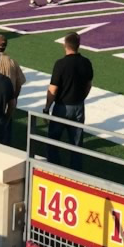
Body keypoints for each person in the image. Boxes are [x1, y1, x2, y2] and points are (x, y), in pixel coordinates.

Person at [45, 32, 94, 169]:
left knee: (53, 141)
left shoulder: (60, 64)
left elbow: (53, 89)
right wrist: (81, 98)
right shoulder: (86, 62)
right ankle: (76, 172)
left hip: (61, 107)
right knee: (77, 144)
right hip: (78, 106)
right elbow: (88, 85)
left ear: (65, 45)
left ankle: (53, 169)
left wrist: (47, 107)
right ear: (78, 45)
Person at [0, 34, 25, 143]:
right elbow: (19, 84)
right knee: (6, 134)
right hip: (8, 104)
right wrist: (14, 99)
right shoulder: (12, 62)